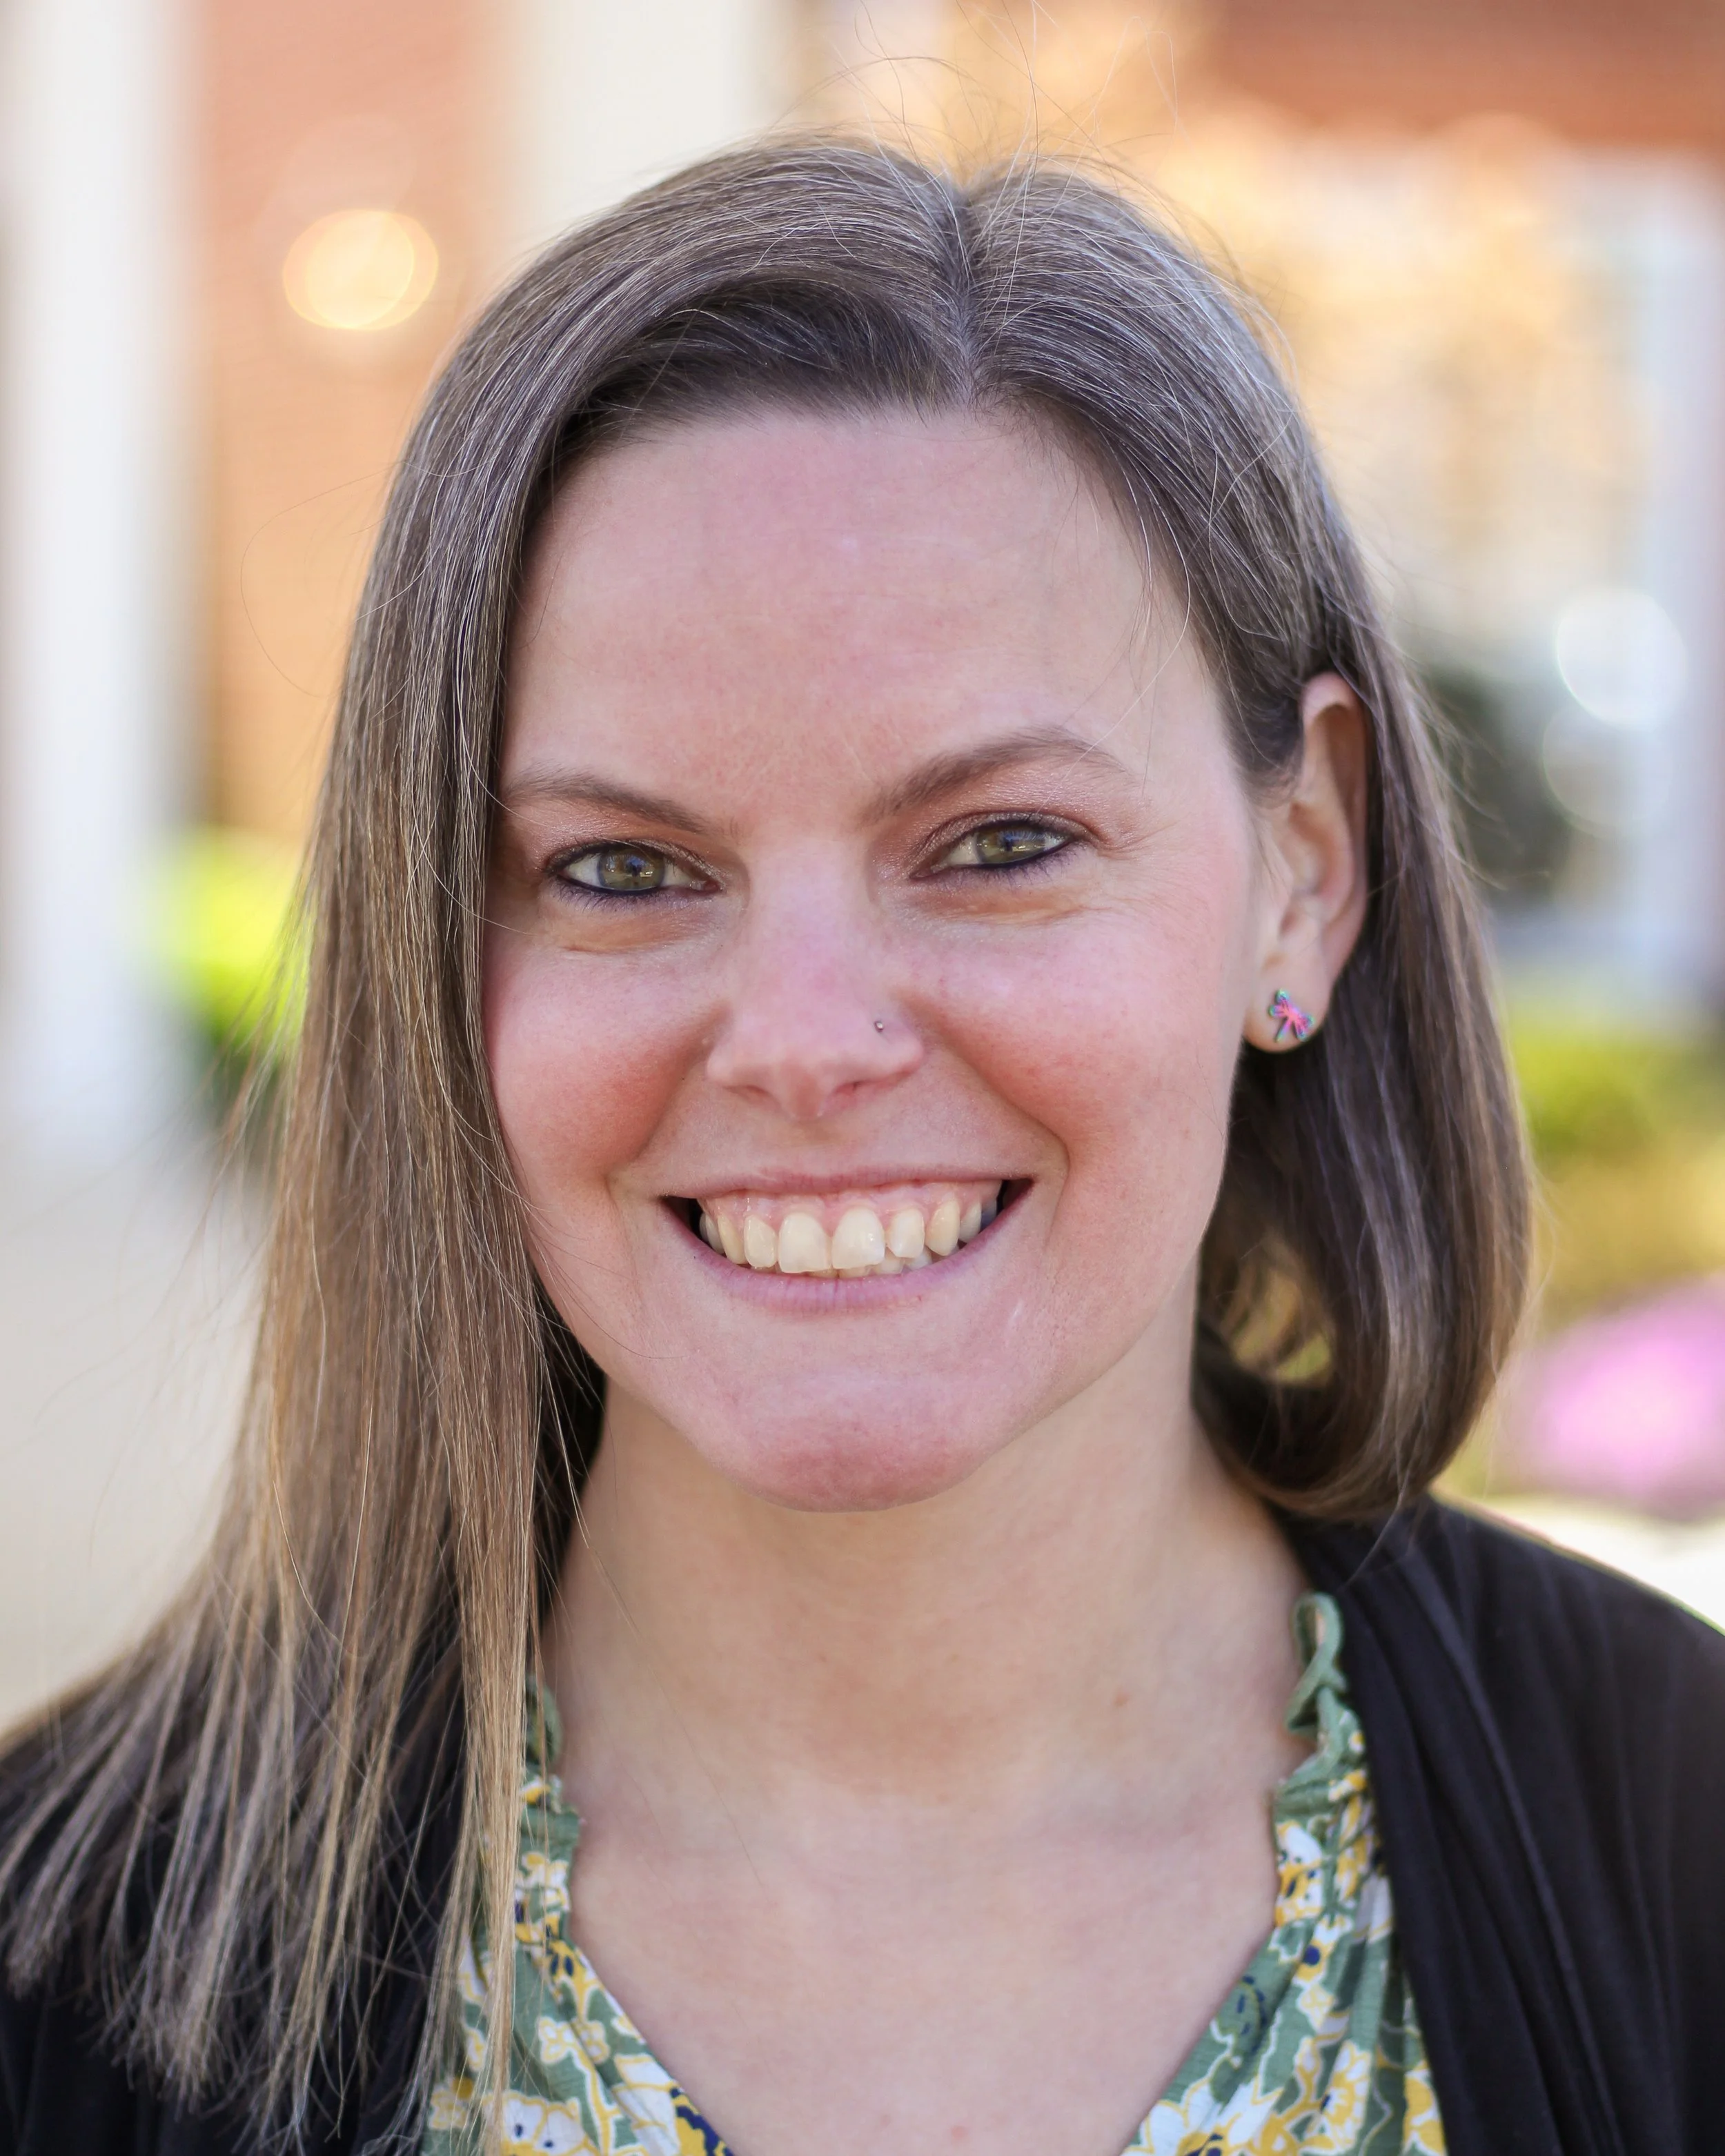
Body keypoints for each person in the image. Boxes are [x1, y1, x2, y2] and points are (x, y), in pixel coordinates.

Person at [2, 138, 1722, 2156]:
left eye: (999, 843)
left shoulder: (1677, 1846)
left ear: (1305, 869)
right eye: (620, 868)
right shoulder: (59, 1974)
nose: (807, 1042)